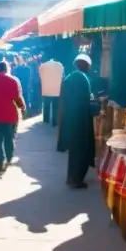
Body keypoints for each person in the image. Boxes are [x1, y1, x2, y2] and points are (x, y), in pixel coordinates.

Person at [57, 55, 96, 188]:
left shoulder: (70, 77)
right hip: (81, 120)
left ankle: (72, 178)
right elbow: (85, 101)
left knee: (75, 151)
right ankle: (76, 179)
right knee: (81, 150)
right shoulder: (82, 78)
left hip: (71, 119)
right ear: (85, 65)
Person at [39, 56, 64, 126]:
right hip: (57, 90)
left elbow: (40, 75)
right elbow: (62, 75)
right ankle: (54, 121)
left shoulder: (43, 66)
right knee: (55, 106)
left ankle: (46, 119)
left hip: (46, 89)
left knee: (46, 105)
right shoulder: (60, 65)